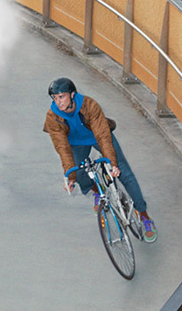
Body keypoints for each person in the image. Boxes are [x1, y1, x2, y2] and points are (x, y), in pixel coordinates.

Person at [44, 77, 157, 241]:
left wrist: (112, 163)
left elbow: (103, 136)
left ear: (72, 94)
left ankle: (144, 216)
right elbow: (62, 147)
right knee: (80, 174)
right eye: (55, 98)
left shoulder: (89, 105)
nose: (58, 101)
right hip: (75, 143)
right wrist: (70, 176)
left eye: (61, 96)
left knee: (124, 174)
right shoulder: (52, 116)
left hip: (97, 137)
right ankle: (97, 191)